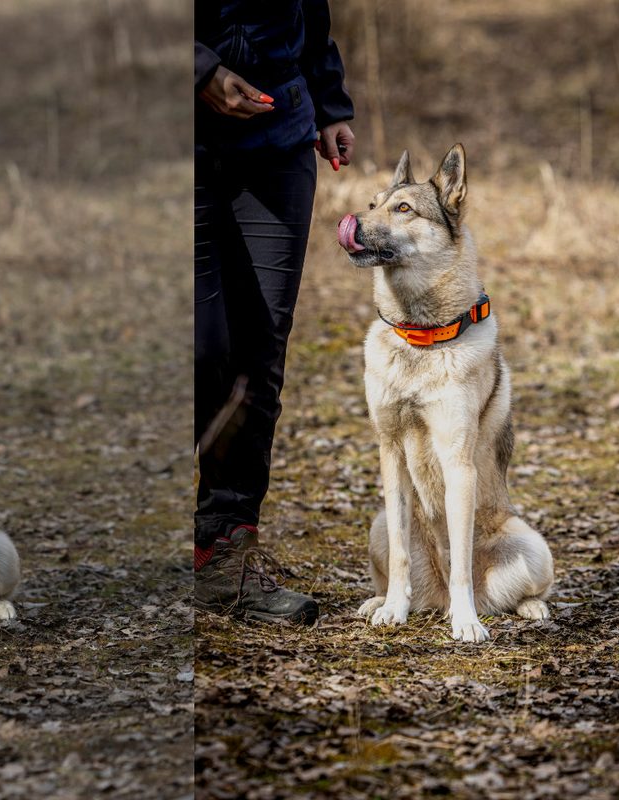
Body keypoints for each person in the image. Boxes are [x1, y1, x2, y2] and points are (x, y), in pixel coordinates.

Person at [194, 0, 355, 625]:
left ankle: (223, 558)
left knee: (259, 360)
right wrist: (199, 69)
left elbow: (309, 11)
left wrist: (328, 100)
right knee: (203, 349)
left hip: (279, 138)